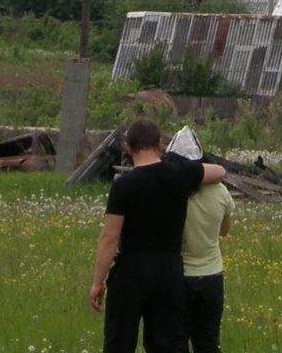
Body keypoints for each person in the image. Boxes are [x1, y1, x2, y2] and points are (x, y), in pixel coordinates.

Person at [91, 117, 228, 353]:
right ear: (160, 145)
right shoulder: (179, 175)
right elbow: (219, 171)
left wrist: (97, 282)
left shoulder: (124, 185)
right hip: (170, 270)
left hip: (132, 269)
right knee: (168, 344)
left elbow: (110, 237)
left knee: (119, 341)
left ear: (128, 148)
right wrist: (192, 172)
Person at [171, 128, 234, 353]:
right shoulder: (221, 192)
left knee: (177, 341)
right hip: (212, 276)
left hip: (179, 276)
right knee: (208, 342)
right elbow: (224, 230)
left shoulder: (171, 191)